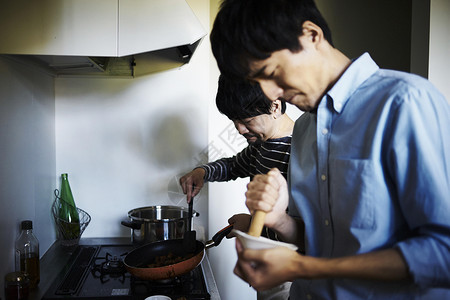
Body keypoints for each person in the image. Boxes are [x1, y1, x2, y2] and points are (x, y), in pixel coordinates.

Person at [210, 0, 450, 299]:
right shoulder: (305, 128)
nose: (270, 94)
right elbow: (322, 242)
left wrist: (304, 268)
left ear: (311, 35)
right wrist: (280, 220)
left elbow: (443, 253)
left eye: (271, 72)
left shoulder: (404, 102)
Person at [180, 74, 295, 299]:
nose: (240, 129)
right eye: (234, 120)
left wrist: (252, 225)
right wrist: (202, 172)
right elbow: (234, 166)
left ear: (274, 106)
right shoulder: (263, 144)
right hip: (265, 267)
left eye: (246, 120)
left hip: (289, 275)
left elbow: (306, 230)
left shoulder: (299, 151)